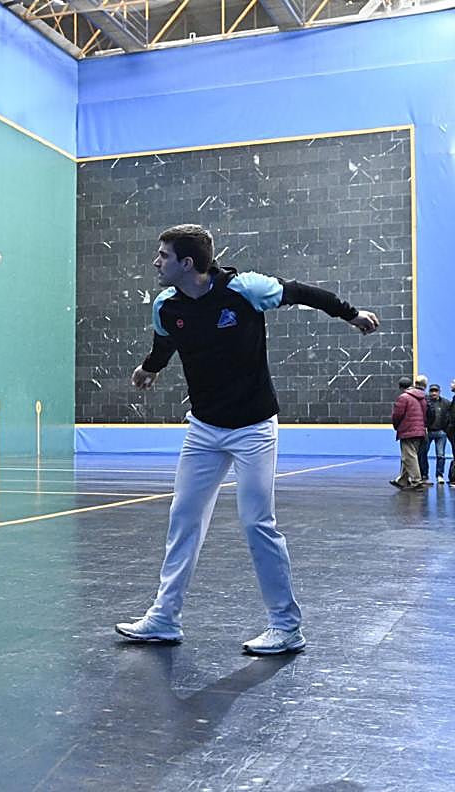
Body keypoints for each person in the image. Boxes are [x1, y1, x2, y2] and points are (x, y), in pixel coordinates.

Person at [115, 224, 379, 655]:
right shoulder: (166, 305)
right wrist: (150, 369)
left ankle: (286, 626)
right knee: (183, 518)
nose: (155, 262)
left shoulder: (245, 289)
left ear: (187, 263)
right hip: (203, 430)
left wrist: (350, 314)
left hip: (253, 428)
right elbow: (165, 342)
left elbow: (302, 292)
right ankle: (164, 618)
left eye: (163, 255)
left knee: (257, 522)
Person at [390, 376, 426, 491]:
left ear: (401, 387)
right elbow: (425, 413)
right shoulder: (421, 396)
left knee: (409, 457)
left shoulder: (403, 397)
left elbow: (397, 415)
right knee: (409, 456)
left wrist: (396, 426)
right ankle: (402, 480)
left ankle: (417, 481)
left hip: (408, 430)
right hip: (420, 430)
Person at [425, 384, 450, 484]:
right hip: (428, 432)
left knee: (441, 455)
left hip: (441, 432)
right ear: (429, 392)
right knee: (423, 455)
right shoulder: (425, 402)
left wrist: (446, 429)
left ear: (439, 392)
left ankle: (439, 475)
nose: (434, 393)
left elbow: (450, 416)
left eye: (436, 391)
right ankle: (424, 475)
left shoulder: (446, 403)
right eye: (432, 391)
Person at [414, 374, 432, 483]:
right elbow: (431, 413)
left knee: (409, 454)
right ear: (425, 385)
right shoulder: (426, 397)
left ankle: (411, 477)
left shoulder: (407, 396)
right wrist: (427, 425)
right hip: (423, 429)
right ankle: (423, 475)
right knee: (422, 453)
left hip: (409, 431)